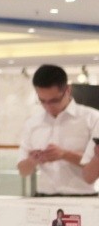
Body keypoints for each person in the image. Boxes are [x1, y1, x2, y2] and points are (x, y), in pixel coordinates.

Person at [17, 64, 99, 196]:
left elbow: (95, 165)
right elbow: (22, 170)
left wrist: (64, 154)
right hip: (43, 197)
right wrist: (33, 160)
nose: (48, 106)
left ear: (68, 90)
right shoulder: (32, 123)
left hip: (83, 196)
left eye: (54, 100)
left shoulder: (92, 118)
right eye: (42, 101)